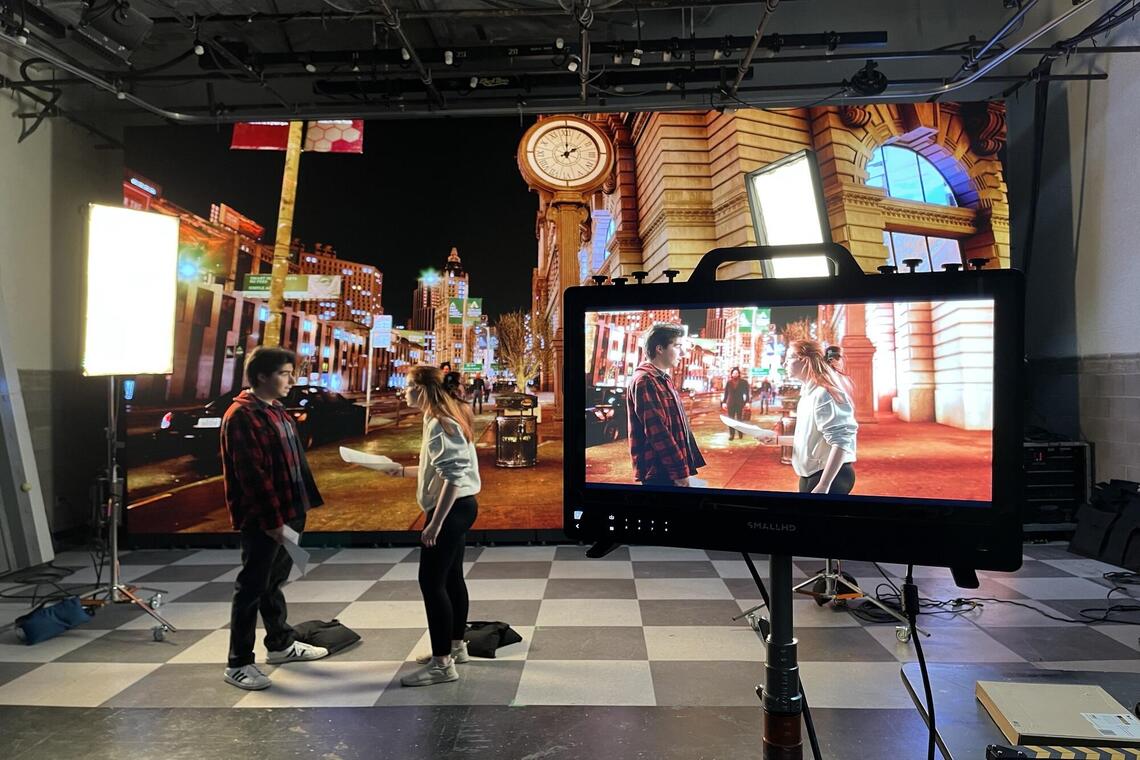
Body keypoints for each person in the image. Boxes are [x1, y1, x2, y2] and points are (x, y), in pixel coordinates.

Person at [220, 346, 329, 691]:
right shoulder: (242, 416)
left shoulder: (276, 410)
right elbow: (251, 475)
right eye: (284, 373)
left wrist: (300, 508)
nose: (291, 379)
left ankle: (280, 644)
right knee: (251, 588)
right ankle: (238, 662)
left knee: (272, 582)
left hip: (292, 510)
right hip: (265, 518)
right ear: (262, 376)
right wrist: (272, 521)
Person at [387, 365, 481, 686]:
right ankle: (455, 647)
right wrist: (402, 471)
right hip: (461, 506)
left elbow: (453, 477)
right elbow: (439, 468)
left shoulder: (441, 422)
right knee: (451, 577)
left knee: (431, 582)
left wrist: (434, 524)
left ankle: (442, 665)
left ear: (424, 389)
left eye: (410, 386)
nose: (405, 392)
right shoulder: (439, 417)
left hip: (451, 510)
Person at [626, 323, 706, 486]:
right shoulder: (646, 380)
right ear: (659, 348)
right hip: (660, 473)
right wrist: (679, 472)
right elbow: (658, 432)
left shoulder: (662, 378)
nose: (683, 353)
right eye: (677, 346)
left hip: (668, 470)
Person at [784, 339, 858, 495]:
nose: (784, 364)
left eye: (788, 358)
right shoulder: (808, 394)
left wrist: (824, 484)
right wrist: (776, 440)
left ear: (803, 359)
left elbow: (842, 441)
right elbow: (813, 438)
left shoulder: (823, 394)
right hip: (811, 475)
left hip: (830, 476)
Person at [720, 367, 751, 440]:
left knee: (739, 419)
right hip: (730, 403)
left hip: (739, 403)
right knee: (731, 420)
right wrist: (724, 402)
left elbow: (747, 393)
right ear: (731, 374)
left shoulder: (743, 382)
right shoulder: (729, 382)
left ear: (739, 374)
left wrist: (747, 402)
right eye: (733, 373)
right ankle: (732, 435)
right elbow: (726, 393)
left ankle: (740, 433)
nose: (735, 374)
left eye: (736, 373)